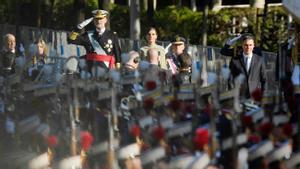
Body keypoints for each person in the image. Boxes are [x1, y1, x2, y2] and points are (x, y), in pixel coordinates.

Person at [229, 34, 267, 98]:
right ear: (242, 46)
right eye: (246, 45)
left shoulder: (260, 60)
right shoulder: (235, 60)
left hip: (255, 95)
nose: (248, 47)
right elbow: (230, 79)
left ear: (253, 46)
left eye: (250, 45)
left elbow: (264, 79)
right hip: (239, 95)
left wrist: (263, 95)